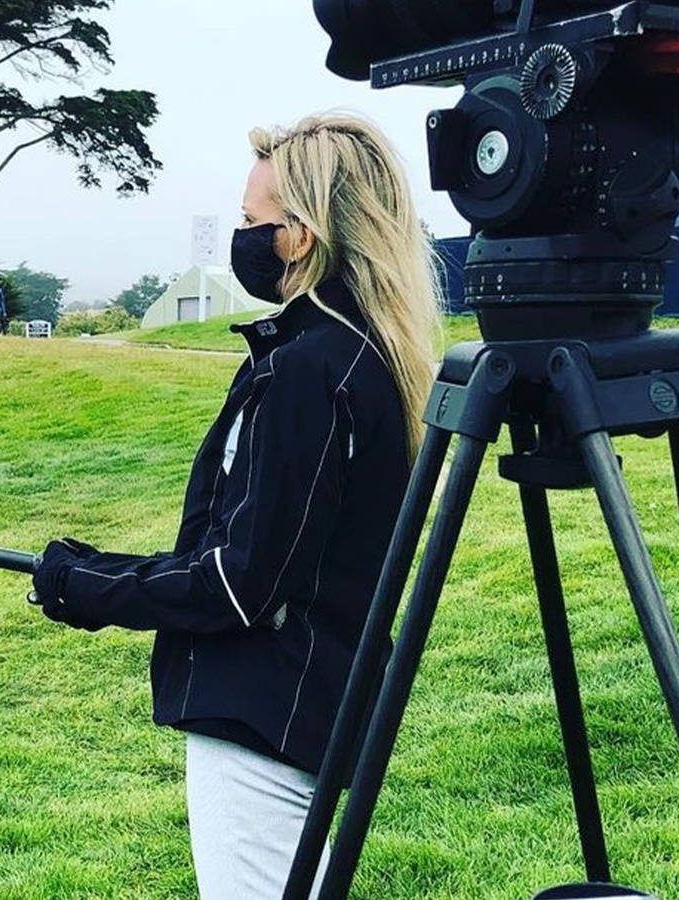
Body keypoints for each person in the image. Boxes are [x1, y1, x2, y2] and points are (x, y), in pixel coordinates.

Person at [29, 113, 440, 900]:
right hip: (296, 707)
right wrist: (98, 569)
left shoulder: (311, 368)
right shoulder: (357, 353)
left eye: (255, 223)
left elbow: (240, 583)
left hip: (266, 720)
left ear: (304, 237)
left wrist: (91, 590)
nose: (243, 237)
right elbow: (251, 552)